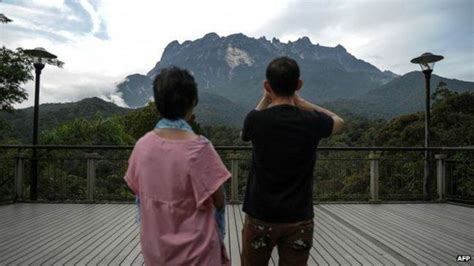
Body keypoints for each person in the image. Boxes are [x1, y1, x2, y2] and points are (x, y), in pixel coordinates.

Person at [240, 57, 344, 265]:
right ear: (298, 85)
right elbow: (339, 122)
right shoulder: (311, 121)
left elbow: (245, 132)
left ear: (267, 86)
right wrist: (302, 103)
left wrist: (265, 100)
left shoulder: (256, 120)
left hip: (260, 215)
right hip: (299, 218)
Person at [124, 67, 231, 265]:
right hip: (197, 253)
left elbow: (137, 189)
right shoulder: (200, 148)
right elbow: (219, 199)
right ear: (193, 102)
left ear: (157, 104)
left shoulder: (142, 146)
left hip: (155, 251)